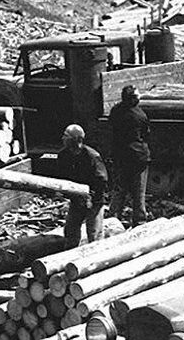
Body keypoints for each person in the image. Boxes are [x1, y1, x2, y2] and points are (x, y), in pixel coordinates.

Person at [58, 124, 108, 249]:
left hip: (94, 199)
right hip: (77, 199)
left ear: (76, 139)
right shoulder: (64, 155)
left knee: (94, 234)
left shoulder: (92, 156)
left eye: (66, 136)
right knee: (70, 231)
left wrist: (91, 197)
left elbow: (102, 180)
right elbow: (62, 176)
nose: (63, 138)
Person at [108, 84, 151, 227]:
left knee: (119, 189)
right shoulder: (140, 115)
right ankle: (139, 222)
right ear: (132, 99)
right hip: (138, 158)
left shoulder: (115, 111)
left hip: (121, 156)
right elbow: (146, 134)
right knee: (138, 192)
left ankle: (113, 219)